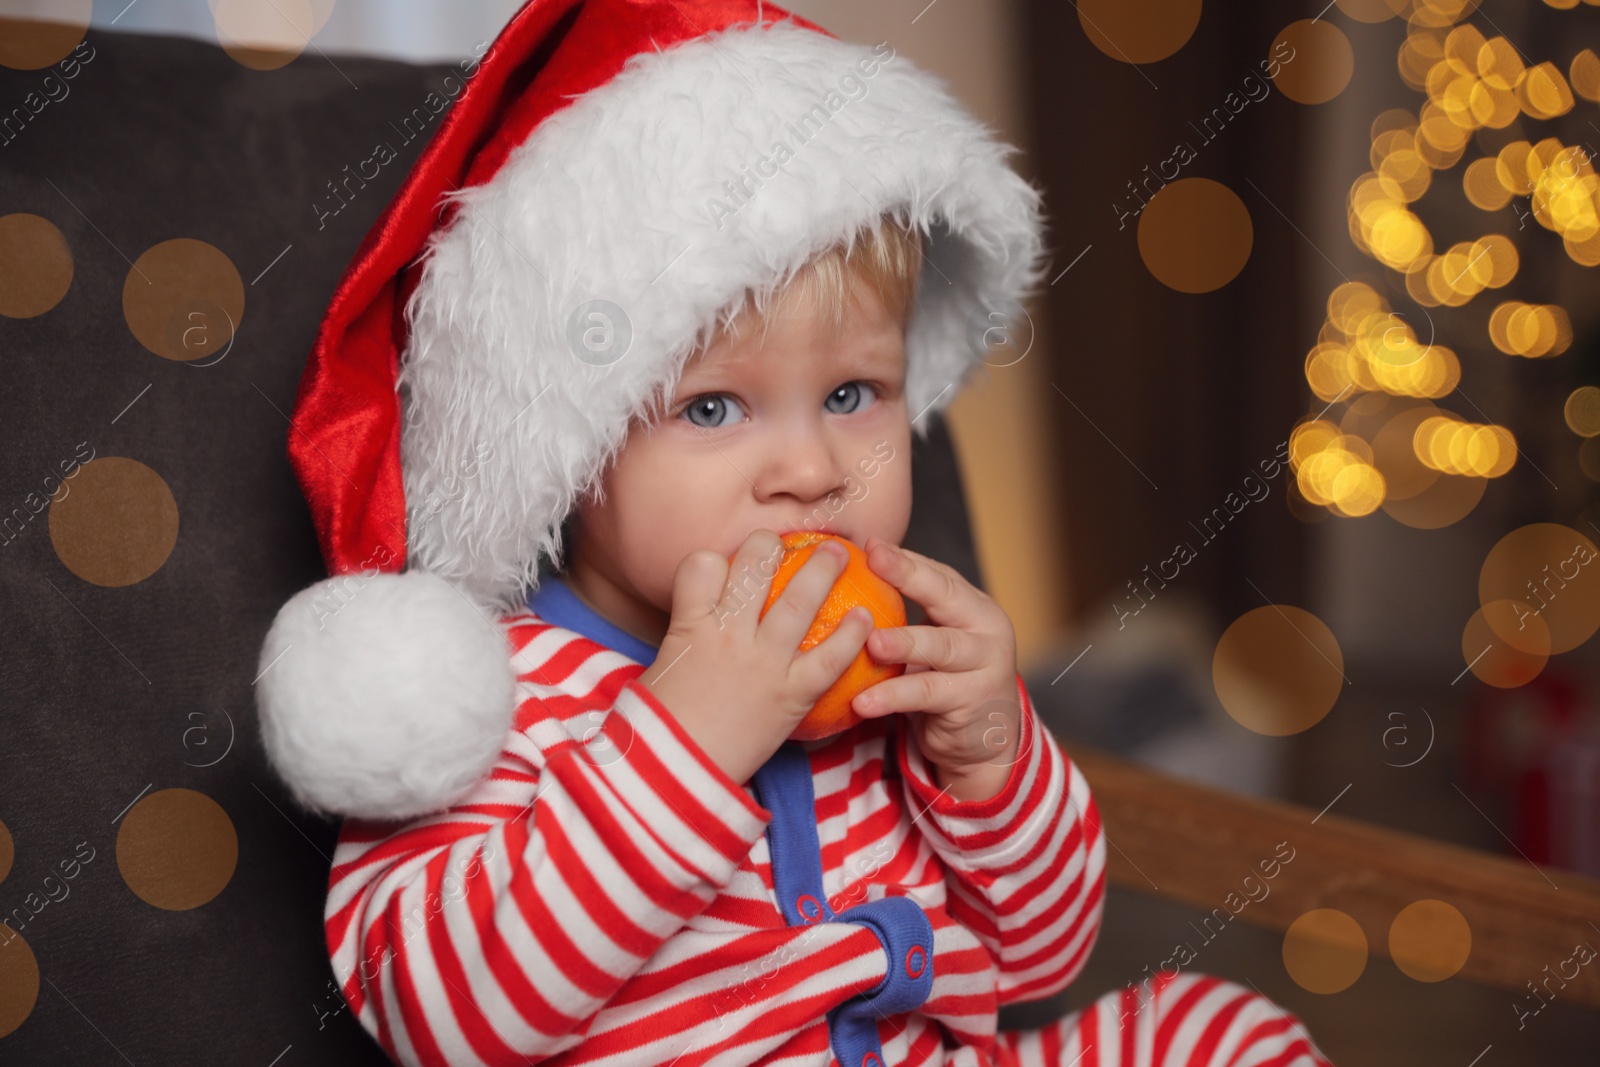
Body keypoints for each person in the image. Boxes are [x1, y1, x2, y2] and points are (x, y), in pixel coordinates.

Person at [255, 2, 1335, 1065]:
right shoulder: (494, 700)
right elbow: (447, 1021)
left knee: (1214, 1026)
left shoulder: (898, 677)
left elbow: (1043, 957)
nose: (815, 471)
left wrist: (993, 764)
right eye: (714, 408)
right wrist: (682, 741)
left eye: (855, 393)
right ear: (569, 449)